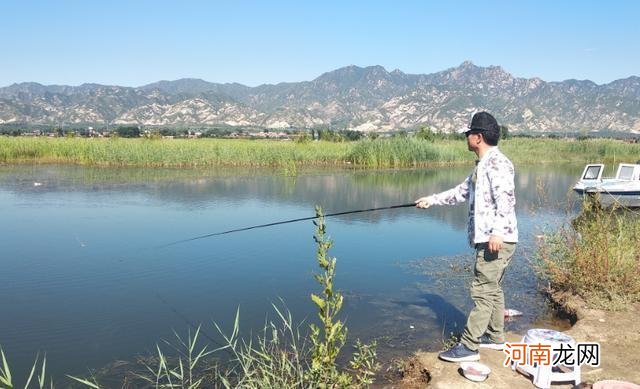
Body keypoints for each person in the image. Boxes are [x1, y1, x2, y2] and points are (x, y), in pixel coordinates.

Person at [415, 111, 518, 362]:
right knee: (493, 289)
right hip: (493, 238)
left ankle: (469, 347)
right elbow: (460, 193)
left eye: (469, 133)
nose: (467, 137)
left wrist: (496, 232)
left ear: (478, 137)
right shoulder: (482, 166)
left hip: (496, 239)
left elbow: (505, 199)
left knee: (482, 291)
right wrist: (431, 200)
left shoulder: (497, 164)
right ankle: (495, 338)